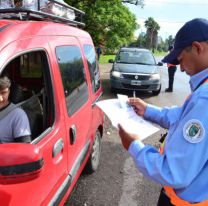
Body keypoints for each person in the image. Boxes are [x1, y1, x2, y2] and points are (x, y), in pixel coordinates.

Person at [118, 18, 208, 205]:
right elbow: (182, 116)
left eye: (180, 60)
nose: (181, 69)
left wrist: (134, 146)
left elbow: (174, 172)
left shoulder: (204, 98)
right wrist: (148, 110)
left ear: (198, 48)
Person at [0, 76, 31, 143]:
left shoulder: (18, 115)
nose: (0, 98)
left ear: (9, 92)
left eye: (3, 93)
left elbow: (23, 149)